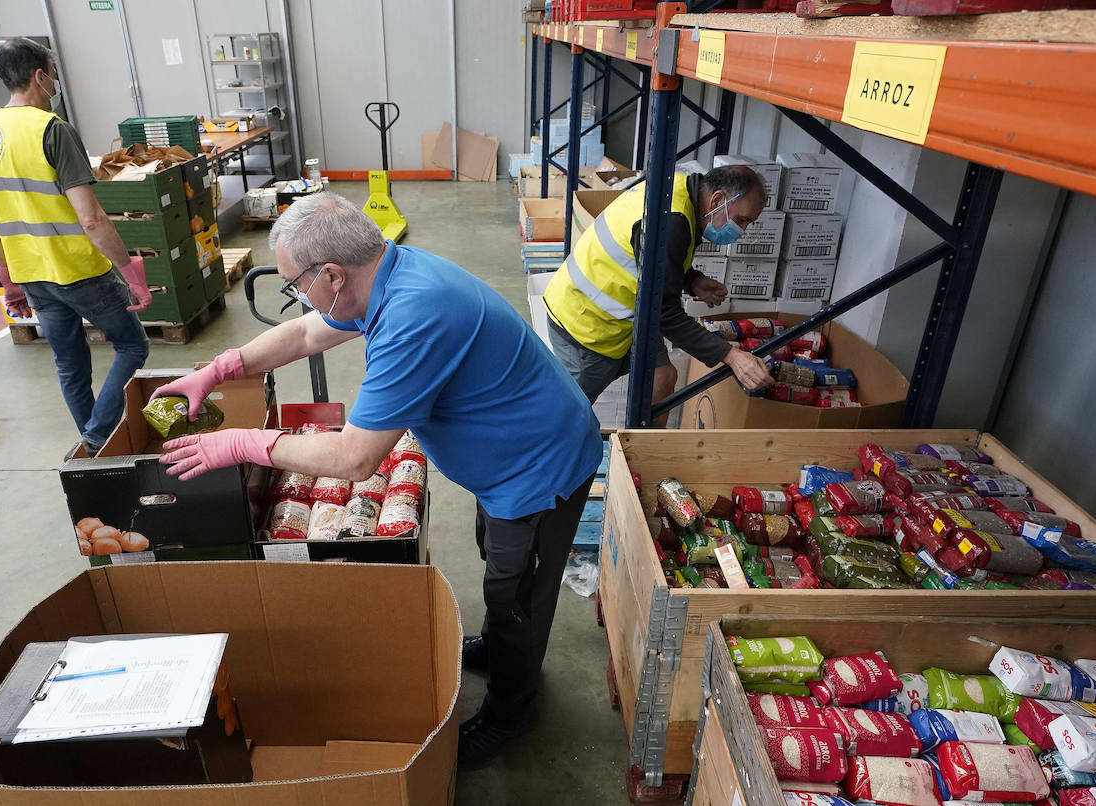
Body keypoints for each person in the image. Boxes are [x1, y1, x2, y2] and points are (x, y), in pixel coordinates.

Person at [152, 193, 603, 765]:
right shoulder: (384, 275)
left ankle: (512, 712)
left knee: (517, 591)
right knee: (497, 555)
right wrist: (221, 369)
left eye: (295, 284)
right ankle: (496, 646)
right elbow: (303, 335)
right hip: (507, 459)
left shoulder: (413, 315)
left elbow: (355, 459)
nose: (297, 297)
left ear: (333, 274)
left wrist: (243, 443)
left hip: (540, 467)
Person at [0, 37, 152, 459]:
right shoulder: (51, 129)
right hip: (79, 270)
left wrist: (8, 283)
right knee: (132, 346)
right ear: (40, 75)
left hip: (31, 275)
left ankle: (96, 445)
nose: (54, 81)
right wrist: (131, 273)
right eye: (52, 73)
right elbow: (91, 218)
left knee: (70, 365)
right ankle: (98, 434)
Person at [543, 165, 775, 421]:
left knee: (662, 377)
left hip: (629, 315)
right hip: (587, 323)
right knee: (566, 419)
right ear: (718, 199)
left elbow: (648, 258)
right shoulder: (673, 220)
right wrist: (730, 355)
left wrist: (692, 280)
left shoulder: (679, 191)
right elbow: (664, 313)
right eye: (742, 220)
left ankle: (645, 450)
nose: (742, 231)